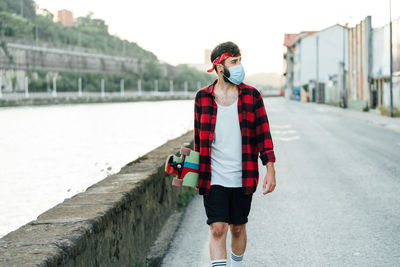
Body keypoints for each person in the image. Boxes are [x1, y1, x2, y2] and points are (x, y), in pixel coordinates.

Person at [193, 41, 277, 267]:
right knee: (218, 228)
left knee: (238, 227)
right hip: (214, 176)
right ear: (219, 66)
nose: (239, 66)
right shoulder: (202, 98)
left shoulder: (252, 96)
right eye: (234, 61)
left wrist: (270, 168)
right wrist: (191, 172)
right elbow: (198, 139)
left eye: (240, 60)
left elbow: (263, 134)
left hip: (244, 175)